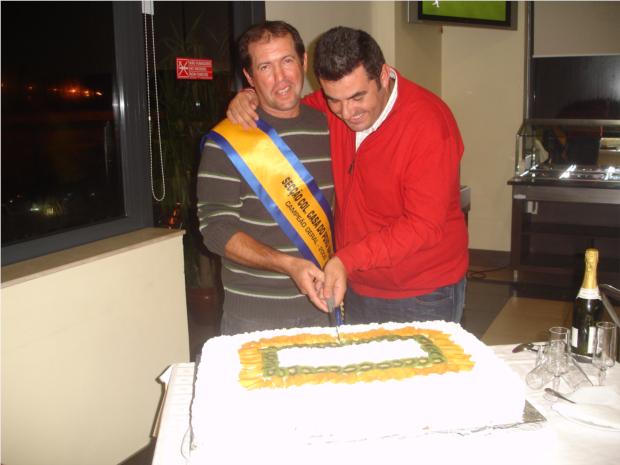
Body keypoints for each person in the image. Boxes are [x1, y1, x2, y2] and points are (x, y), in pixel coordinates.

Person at [227, 26, 468, 325]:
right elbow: (285, 107)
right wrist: (249, 96)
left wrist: (346, 259)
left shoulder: (428, 123)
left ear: (382, 76)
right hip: (357, 285)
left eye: (357, 97)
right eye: (334, 99)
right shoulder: (331, 107)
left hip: (421, 292)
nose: (346, 112)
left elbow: (423, 226)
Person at [197, 21, 333, 335]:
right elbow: (215, 230)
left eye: (287, 61)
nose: (280, 78)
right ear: (249, 77)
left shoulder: (330, 126)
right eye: (265, 67)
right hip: (254, 316)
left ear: (304, 62)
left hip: (323, 306)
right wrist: (287, 264)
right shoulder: (227, 142)